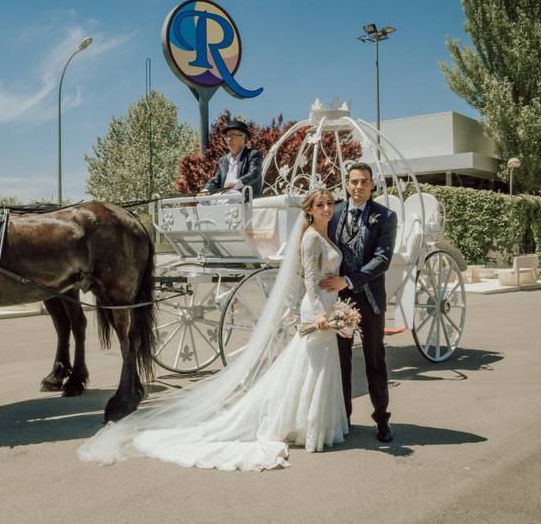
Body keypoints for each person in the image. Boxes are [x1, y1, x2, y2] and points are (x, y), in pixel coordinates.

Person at [78, 189, 347, 471]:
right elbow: (310, 281)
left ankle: (316, 422)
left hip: (325, 306)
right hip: (319, 311)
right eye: (321, 204)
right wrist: (318, 314)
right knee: (310, 366)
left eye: (329, 203)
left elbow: (315, 279)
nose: (327, 208)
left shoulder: (319, 233)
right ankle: (308, 424)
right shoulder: (312, 237)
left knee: (316, 366)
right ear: (311, 209)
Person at [321, 162, 397, 442]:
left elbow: (382, 259)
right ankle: (344, 418)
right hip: (338, 300)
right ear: (347, 184)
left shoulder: (386, 216)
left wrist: (350, 281)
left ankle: (382, 420)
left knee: (374, 359)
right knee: (340, 361)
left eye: (364, 182)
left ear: (372, 185)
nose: (358, 186)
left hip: (370, 300)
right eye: (354, 181)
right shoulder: (335, 212)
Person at [199, 121, 264, 197]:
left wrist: (236, 183)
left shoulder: (252, 155)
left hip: (244, 200)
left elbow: (255, 173)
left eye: (233, 136)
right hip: (223, 198)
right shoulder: (223, 160)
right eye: (227, 136)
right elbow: (215, 181)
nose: (229, 139)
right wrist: (205, 190)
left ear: (244, 138)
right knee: (202, 203)